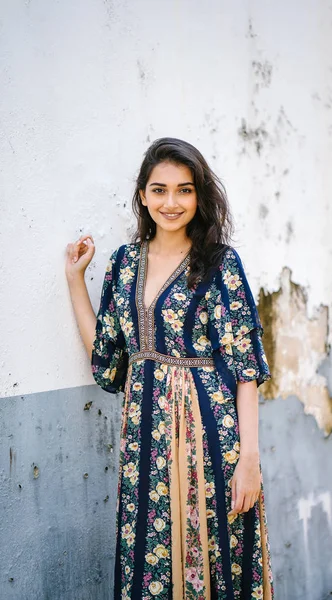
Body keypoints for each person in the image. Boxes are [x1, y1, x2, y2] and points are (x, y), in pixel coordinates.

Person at [65, 137, 274, 599]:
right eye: (159, 190)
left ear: (199, 196)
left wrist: (250, 460)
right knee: (152, 560)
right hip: (146, 441)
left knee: (214, 555)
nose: (171, 202)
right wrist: (75, 280)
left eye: (184, 190)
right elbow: (107, 360)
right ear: (142, 195)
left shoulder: (220, 264)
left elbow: (245, 368)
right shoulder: (123, 263)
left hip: (210, 436)